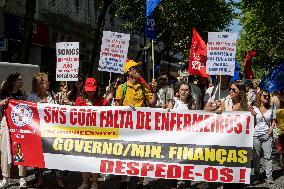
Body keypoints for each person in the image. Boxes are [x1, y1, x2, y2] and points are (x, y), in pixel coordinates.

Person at [27, 72, 64, 188]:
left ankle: (58, 178)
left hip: (50, 130)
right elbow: (28, 114)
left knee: (53, 154)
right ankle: (40, 178)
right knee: (38, 156)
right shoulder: (31, 97)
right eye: (45, 81)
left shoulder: (52, 95)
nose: (48, 83)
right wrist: (39, 105)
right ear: (39, 84)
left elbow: (57, 111)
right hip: (37, 130)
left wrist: (59, 103)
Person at [75, 77, 107, 189]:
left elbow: (109, 114)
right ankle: (84, 182)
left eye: (92, 90)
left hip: (97, 134)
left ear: (96, 89)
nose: (90, 92)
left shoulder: (102, 101)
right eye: (88, 90)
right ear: (85, 89)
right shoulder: (80, 100)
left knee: (95, 158)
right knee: (83, 157)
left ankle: (94, 182)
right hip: (83, 134)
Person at [0, 73, 27, 188]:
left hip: (20, 125)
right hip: (6, 124)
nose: (22, 82)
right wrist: (1, 103)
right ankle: (5, 178)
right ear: (13, 81)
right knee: (5, 151)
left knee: (20, 150)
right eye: (19, 80)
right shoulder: (3, 94)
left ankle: (22, 178)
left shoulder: (22, 95)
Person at [250, 90, 275, 184]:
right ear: (259, 97)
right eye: (265, 96)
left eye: (268, 96)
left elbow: (273, 120)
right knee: (256, 156)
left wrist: (270, 130)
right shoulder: (254, 108)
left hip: (267, 135)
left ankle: (269, 176)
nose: (267, 98)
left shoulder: (271, 108)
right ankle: (257, 175)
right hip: (255, 135)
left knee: (268, 157)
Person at [276, 89, 284, 169]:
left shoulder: (278, 111)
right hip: (281, 133)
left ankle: (282, 165)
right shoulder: (278, 111)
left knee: (281, 151)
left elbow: (276, 122)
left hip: (280, 133)